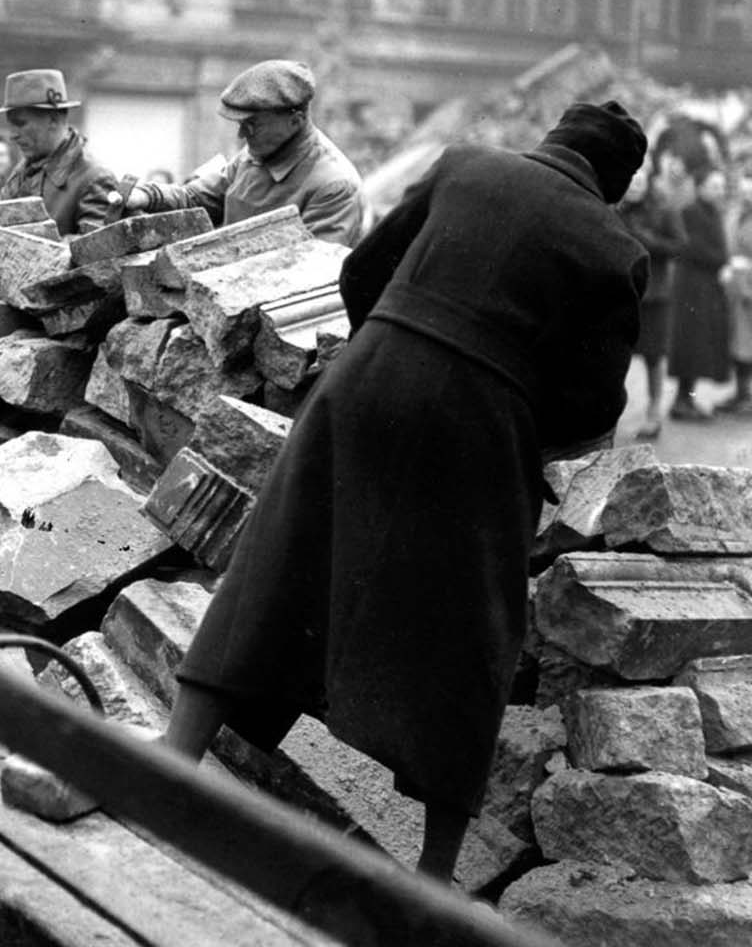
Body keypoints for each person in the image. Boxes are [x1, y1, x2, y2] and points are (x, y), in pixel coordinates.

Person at [160, 101, 648, 885]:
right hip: (484, 424)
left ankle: (175, 757)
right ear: (614, 184)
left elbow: (360, 271)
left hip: (370, 376)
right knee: (472, 633)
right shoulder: (615, 246)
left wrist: (390, 351)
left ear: (552, 139)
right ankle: (433, 868)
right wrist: (510, 411)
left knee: (279, 559)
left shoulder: (466, 163)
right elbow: (594, 405)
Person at [120, 60, 363, 245]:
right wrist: (146, 196)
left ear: (295, 120)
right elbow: (195, 198)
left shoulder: (334, 185)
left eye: (252, 125)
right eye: (240, 125)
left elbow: (312, 273)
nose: (242, 135)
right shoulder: (252, 157)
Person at [0, 69, 117, 235]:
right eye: (11, 125)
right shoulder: (19, 176)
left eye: (21, 124)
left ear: (53, 120)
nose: (13, 135)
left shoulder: (94, 179)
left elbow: (95, 251)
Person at [618, 162, 686, 438]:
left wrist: (648, 240)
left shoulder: (664, 208)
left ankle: (654, 411)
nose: (634, 185)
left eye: (639, 181)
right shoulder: (614, 207)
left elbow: (680, 245)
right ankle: (609, 415)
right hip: (622, 294)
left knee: (653, 356)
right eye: (630, 180)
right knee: (616, 355)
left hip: (654, 294)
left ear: (648, 183)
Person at [668, 167, 732, 422]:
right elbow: (695, 248)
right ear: (701, 187)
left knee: (697, 345)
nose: (720, 191)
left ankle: (685, 401)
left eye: (722, 186)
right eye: (715, 186)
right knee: (690, 344)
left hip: (704, 286)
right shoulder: (691, 212)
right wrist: (723, 260)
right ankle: (683, 402)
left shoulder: (711, 211)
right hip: (692, 287)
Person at [723, 163, 752, 417]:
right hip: (735, 286)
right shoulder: (735, 212)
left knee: (747, 342)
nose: (746, 194)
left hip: (749, 287)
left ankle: (747, 395)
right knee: (738, 342)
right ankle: (741, 393)